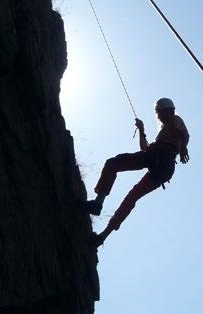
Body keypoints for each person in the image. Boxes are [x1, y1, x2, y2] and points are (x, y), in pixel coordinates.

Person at [81, 98, 190, 247]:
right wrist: (142, 130)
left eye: (160, 112)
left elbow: (184, 134)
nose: (158, 116)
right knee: (132, 194)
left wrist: (183, 148)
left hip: (159, 158)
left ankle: (98, 205)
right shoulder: (164, 131)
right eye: (157, 113)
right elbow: (144, 148)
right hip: (159, 163)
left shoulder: (175, 119)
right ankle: (102, 236)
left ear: (169, 111)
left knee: (114, 164)